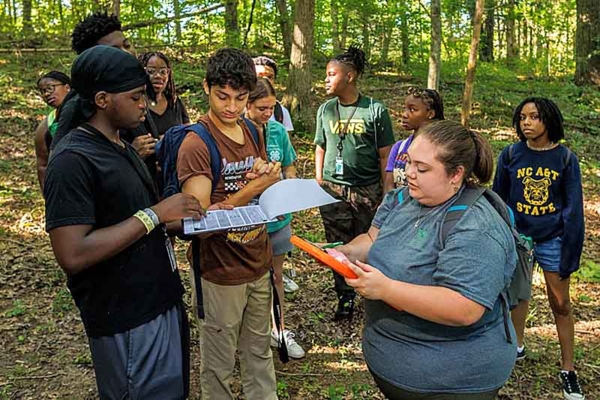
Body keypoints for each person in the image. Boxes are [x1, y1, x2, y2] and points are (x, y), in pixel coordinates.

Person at [43, 45, 207, 399]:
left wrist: (174, 222)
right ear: (102, 99)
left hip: (159, 300)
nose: (143, 105)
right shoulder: (72, 160)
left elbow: (134, 218)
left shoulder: (121, 145)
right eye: (134, 97)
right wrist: (156, 214)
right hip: (126, 317)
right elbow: (72, 252)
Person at [330, 120, 517, 399]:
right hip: (396, 365)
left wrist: (387, 289)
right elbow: (371, 241)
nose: (409, 174)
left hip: (451, 382)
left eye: (422, 168)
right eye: (408, 163)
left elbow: (465, 308)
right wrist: (343, 253)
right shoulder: (401, 198)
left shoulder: (477, 226)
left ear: (456, 175)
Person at [177, 48, 280, 400]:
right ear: (207, 87)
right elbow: (200, 221)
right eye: (223, 96)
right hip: (219, 271)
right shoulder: (196, 144)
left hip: (257, 260)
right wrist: (252, 187)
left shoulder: (251, 129)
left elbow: (254, 181)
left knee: (259, 353)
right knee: (219, 366)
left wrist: (262, 175)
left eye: (240, 98)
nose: (231, 107)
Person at [492, 97, 585, 400]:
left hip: (553, 240)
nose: (526, 123)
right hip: (520, 239)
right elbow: (499, 200)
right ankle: (515, 348)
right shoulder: (510, 155)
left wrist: (570, 252)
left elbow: (573, 210)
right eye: (522, 118)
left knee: (560, 303)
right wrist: (503, 236)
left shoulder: (565, 159)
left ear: (549, 120)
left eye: (534, 117)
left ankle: (568, 369)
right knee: (517, 296)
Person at [314, 45, 394, 321]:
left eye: (331, 74)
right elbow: (320, 146)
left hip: (366, 189)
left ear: (350, 76)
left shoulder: (374, 110)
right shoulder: (325, 110)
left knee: (367, 243)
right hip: (333, 188)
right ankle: (344, 296)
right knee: (337, 244)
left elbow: (386, 154)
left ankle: (369, 291)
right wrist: (319, 179)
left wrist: (387, 189)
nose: (326, 79)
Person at [245, 78, 305, 359]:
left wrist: (289, 183)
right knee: (247, 278)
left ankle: (279, 329)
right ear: (246, 104)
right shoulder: (236, 133)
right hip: (246, 221)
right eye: (261, 108)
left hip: (278, 218)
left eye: (271, 108)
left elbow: (290, 164)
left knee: (275, 276)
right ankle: (247, 335)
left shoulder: (278, 130)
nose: (267, 114)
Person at [51, 11, 137, 150]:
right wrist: (131, 154)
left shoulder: (136, 92)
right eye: (114, 51)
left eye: (127, 46)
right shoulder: (77, 105)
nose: (126, 53)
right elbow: (60, 161)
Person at [121, 51, 190, 194]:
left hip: (173, 175)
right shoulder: (134, 104)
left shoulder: (175, 103)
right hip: (143, 178)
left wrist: (170, 142)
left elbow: (188, 134)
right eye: (151, 71)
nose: (158, 76)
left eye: (163, 71)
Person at [383, 87, 444, 192]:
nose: (404, 114)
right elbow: (389, 188)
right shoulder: (399, 148)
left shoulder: (441, 149)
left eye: (412, 109)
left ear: (430, 114)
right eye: (405, 108)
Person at [34, 71, 71, 191]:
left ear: (67, 87)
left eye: (51, 88)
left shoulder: (88, 112)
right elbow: (42, 165)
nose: (46, 94)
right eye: (43, 91)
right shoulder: (47, 125)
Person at [253, 56, 294, 133]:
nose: (265, 79)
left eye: (270, 77)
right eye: (259, 76)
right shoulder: (236, 110)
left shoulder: (281, 112)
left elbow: (285, 143)